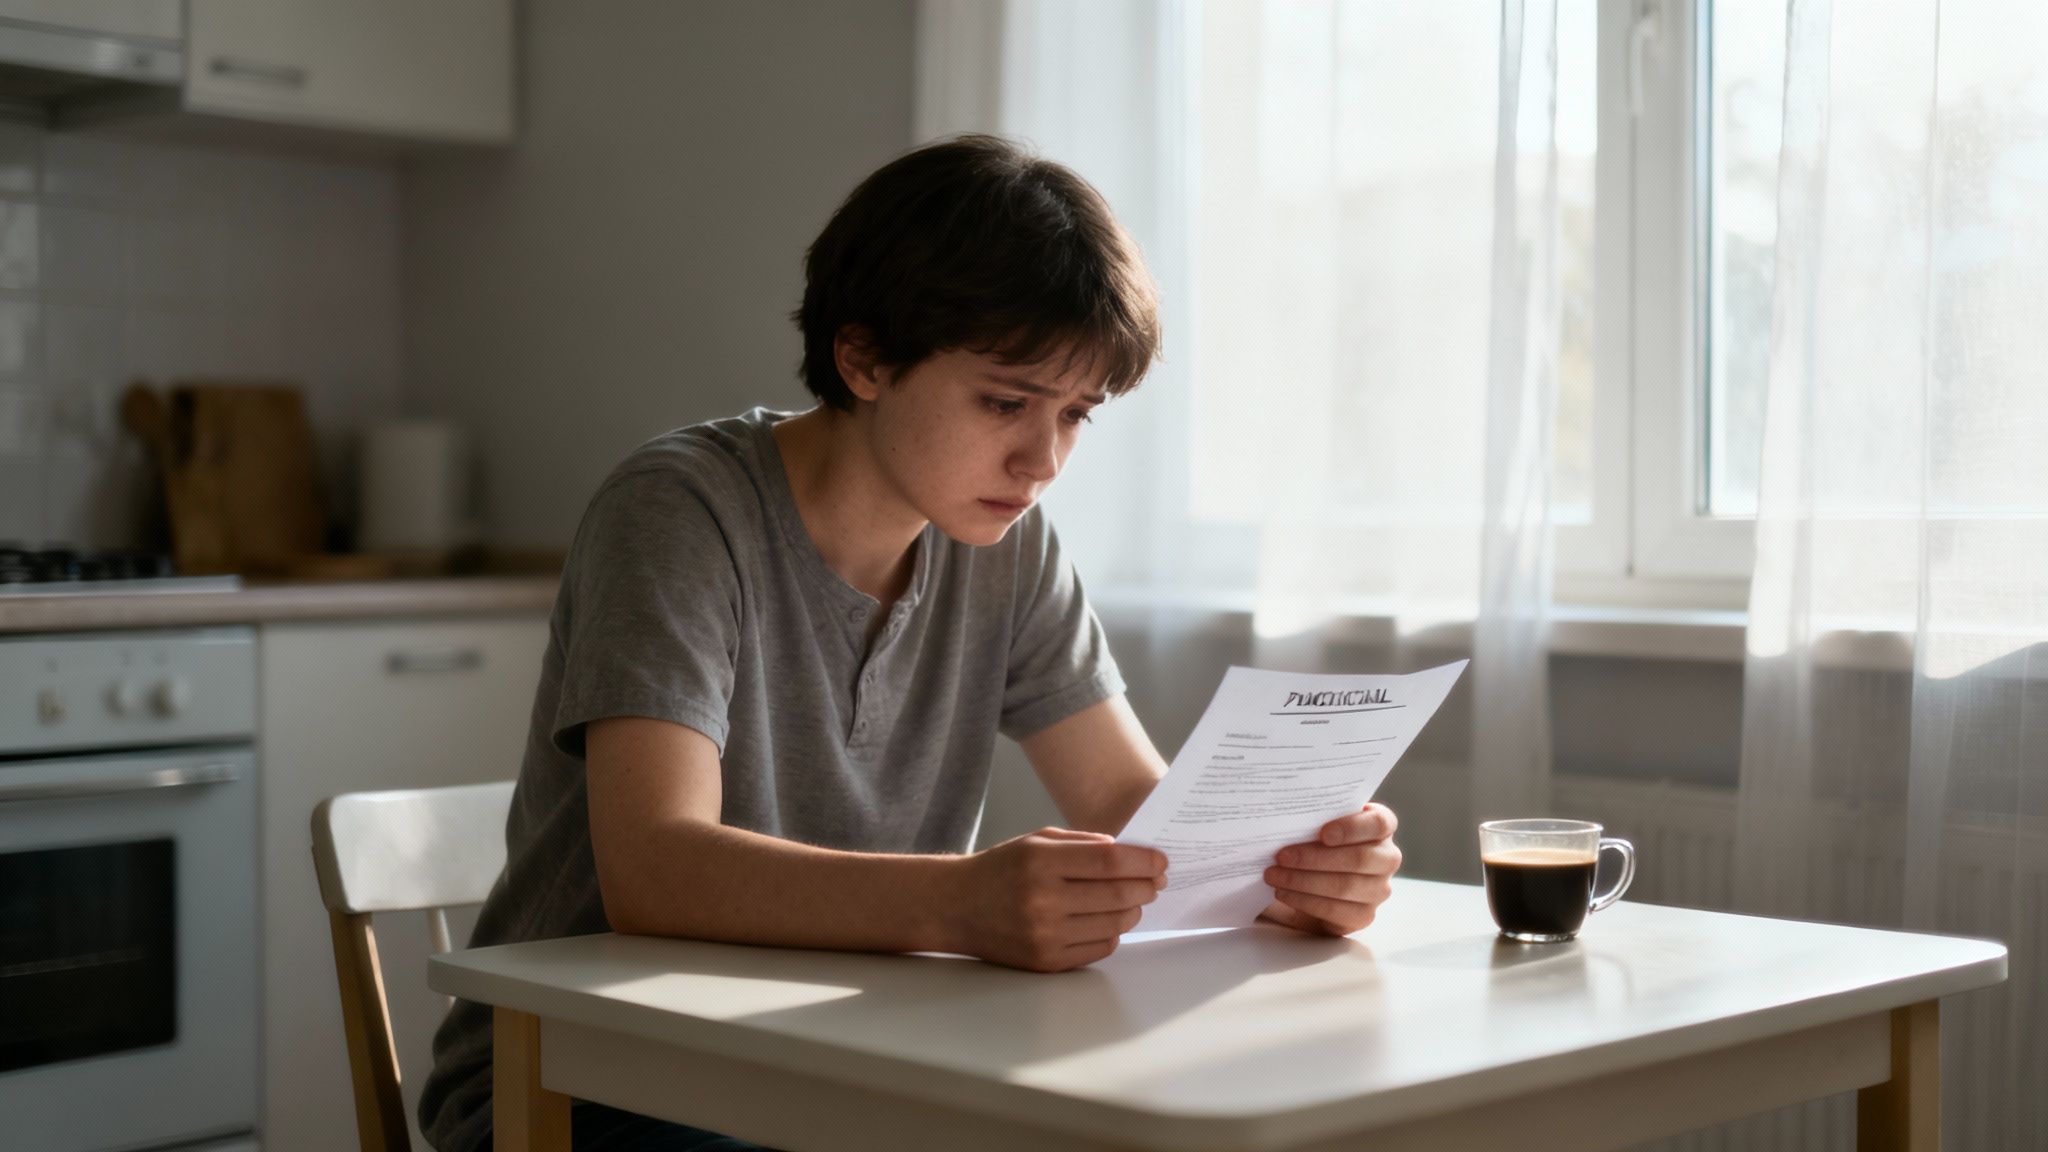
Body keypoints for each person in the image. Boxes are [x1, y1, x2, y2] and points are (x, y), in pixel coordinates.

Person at [416, 134, 1404, 1152]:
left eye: (1076, 415)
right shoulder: (679, 511)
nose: (1043, 459)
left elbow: (1134, 815)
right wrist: (962, 903)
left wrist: (1285, 878)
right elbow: (652, 872)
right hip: (581, 1082)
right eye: (1006, 402)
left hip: (846, 1061)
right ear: (864, 359)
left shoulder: (1005, 547)